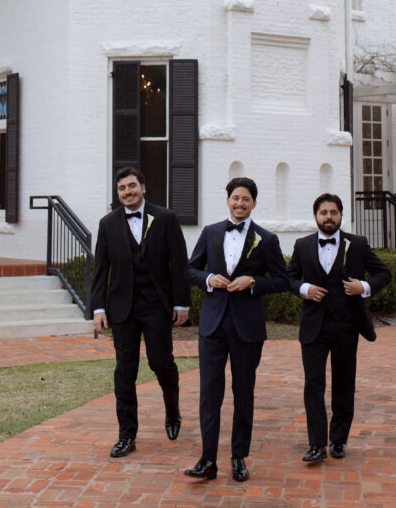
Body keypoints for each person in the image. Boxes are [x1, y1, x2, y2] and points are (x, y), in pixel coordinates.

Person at [184, 176, 289, 483]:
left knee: (243, 393)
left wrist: (253, 281)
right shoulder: (210, 232)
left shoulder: (267, 239)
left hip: (247, 327)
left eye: (246, 199)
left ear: (254, 203)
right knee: (209, 394)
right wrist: (207, 279)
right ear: (228, 200)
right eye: (235, 198)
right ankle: (207, 460)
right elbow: (190, 268)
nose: (240, 203)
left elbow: (282, 280)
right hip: (212, 325)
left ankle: (238, 457)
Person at [91, 166, 190, 459]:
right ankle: (127, 435)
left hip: (156, 306)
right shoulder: (107, 224)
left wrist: (181, 303)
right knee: (125, 372)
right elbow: (101, 269)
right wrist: (98, 307)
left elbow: (179, 264)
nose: (127, 192)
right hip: (122, 309)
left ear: (143, 187)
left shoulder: (166, 219)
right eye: (122, 188)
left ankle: (172, 411)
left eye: (132, 186)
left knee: (161, 363)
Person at [288, 192, 391, 463]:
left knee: (344, 384)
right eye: (324, 213)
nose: (329, 217)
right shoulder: (302, 245)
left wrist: (364, 287)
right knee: (313, 384)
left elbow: (383, 273)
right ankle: (316, 444)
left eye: (333, 212)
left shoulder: (357, 244)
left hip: (346, 326)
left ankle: (338, 441)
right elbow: (287, 278)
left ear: (341, 215)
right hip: (314, 327)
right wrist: (304, 288)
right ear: (316, 216)